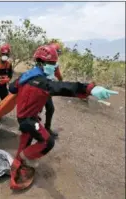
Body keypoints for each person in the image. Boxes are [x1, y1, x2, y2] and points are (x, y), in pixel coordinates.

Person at [8, 45, 118, 190]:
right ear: (42, 63)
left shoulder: (26, 76)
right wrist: (89, 88)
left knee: (25, 141)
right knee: (48, 142)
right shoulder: (42, 82)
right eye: (53, 64)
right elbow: (63, 87)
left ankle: (18, 162)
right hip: (29, 119)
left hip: (24, 117)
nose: (55, 66)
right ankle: (23, 159)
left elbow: (12, 88)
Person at [43, 42, 63, 137]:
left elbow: (58, 74)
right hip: (42, 86)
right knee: (47, 109)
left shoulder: (54, 63)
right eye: (57, 53)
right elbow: (58, 75)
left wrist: (60, 82)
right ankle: (36, 129)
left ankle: (46, 128)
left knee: (50, 109)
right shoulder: (43, 62)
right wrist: (61, 81)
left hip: (48, 87)